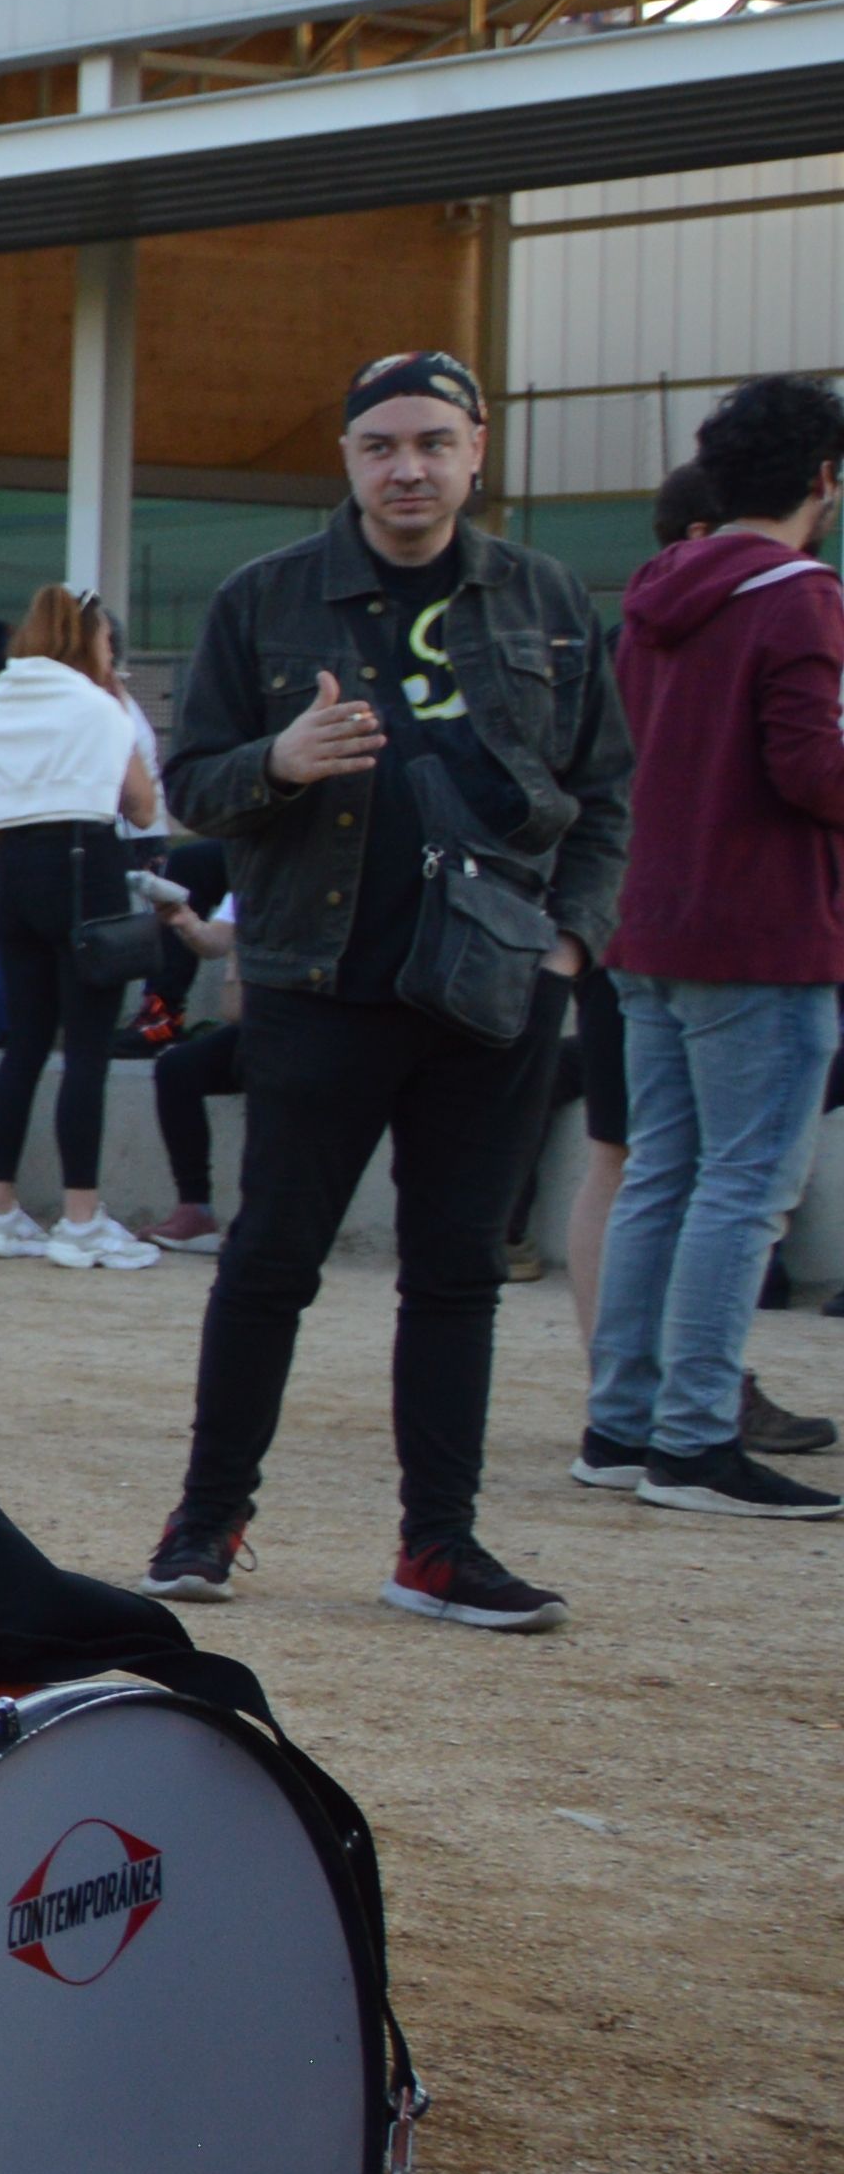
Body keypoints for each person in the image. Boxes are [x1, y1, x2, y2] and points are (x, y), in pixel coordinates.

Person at [146, 349, 632, 1630]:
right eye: (379, 446)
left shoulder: (548, 598)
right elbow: (189, 782)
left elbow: (605, 796)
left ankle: (438, 1547)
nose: (406, 467)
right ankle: (205, 1522)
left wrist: (567, 945)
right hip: (316, 977)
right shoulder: (266, 596)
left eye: (431, 442)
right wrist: (282, 760)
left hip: (495, 990)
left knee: (458, 1271)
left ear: (477, 451)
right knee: (268, 1261)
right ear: (349, 461)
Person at [577, 373, 844, 1516]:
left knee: (662, 1179)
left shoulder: (653, 592)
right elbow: (809, 770)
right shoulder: (802, 598)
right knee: (743, 1190)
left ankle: (620, 1423)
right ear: (822, 481)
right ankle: (691, 1438)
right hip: (763, 930)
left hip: (647, 919)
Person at [0, 586, 169, 1271]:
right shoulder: (98, 705)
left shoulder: (0, 705)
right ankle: (80, 1219)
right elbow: (140, 804)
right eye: (107, 642)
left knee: (26, 1047)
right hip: (85, 865)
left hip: (15, 873)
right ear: (87, 643)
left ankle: (1, 1209)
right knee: (87, 1051)